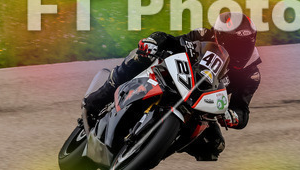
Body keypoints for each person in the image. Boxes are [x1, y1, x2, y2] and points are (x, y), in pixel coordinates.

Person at [83, 12, 261, 161]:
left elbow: (242, 110)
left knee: (214, 146)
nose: (238, 50)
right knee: (142, 57)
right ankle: (99, 98)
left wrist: (232, 116)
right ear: (218, 35)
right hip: (176, 79)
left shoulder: (250, 74)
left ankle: (154, 149)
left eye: (244, 44)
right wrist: (153, 42)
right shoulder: (204, 36)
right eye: (233, 44)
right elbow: (173, 41)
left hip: (201, 106)